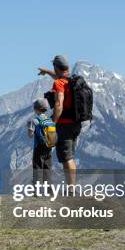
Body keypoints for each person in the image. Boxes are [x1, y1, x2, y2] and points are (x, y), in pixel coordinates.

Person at [37, 55, 81, 187]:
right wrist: (47, 72)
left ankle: (71, 190)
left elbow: (59, 104)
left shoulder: (58, 84)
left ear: (56, 67)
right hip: (76, 124)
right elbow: (58, 76)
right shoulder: (71, 80)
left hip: (65, 124)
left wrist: (52, 123)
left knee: (66, 158)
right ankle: (71, 188)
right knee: (70, 156)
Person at [27, 98, 52, 189]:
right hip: (49, 147)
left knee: (37, 168)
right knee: (47, 168)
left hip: (38, 147)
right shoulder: (49, 120)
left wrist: (29, 128)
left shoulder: (34, 121)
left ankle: (36, 191)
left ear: (36, 109)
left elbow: (30, 135)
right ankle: (48, 190)